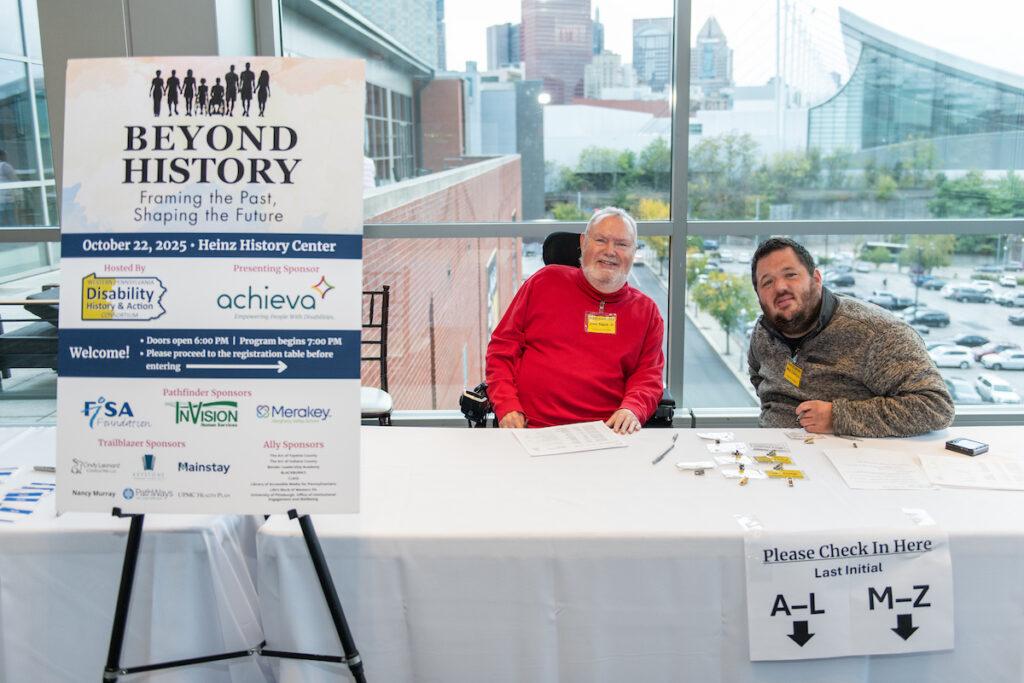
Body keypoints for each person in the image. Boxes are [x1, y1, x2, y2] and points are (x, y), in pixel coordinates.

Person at [746, 237, 953, 437]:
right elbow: (758, 375)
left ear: (816, 279)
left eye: (790, 275)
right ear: (759, 296)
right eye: (767, 282)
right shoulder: (763, 331)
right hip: (771, 456)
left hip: (847, 461)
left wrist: (837, 417)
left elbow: (936, 406)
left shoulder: (877, 333)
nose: (780, 287)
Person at [485, 207, 665, 434]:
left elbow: (648, 376)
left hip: (606, 434)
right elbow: (501, 351)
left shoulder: (647, 312)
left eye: (622, 244)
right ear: (583, 242)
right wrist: (507, 405)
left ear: (633, 251)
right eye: (601, 240)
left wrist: (633, 409)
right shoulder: (543, 283)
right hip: (531, 428)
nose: (610, 251)